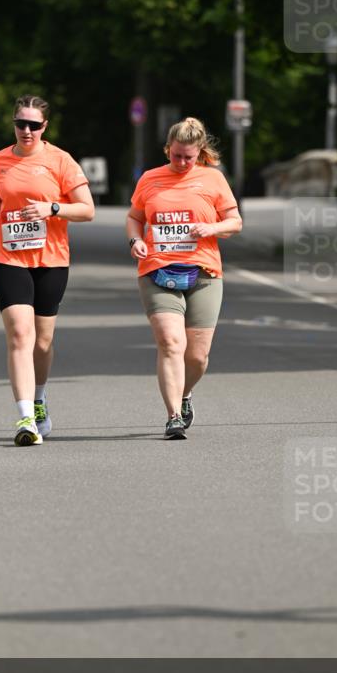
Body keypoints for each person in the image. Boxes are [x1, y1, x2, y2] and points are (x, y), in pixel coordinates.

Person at [0, 95, 94, 445]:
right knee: (19, 335)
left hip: (50, 260)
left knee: (42, 342)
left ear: (45, 127)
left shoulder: (60, 160)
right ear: (13, 123)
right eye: (20, 123)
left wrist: (53, 208)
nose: (26, 130)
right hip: (7, 256)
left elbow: (87, 210)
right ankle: (26, 418)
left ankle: (40, 398)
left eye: (34, 125)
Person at [126, 117, 242, 440]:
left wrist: (213, 228)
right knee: (170, 342)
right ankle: (173, 416)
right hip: (157, 270)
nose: (181, 162)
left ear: (199, 153)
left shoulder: (213, 180)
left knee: (197, 356)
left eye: (188, 157)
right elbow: (135, 218)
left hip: (204, 272)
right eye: (176, 155)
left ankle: (185, 392)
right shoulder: (150, 179)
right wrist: (135, 240)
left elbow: (235, 222)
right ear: (167, 150)